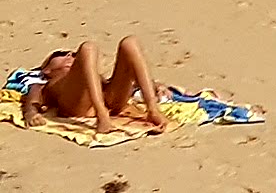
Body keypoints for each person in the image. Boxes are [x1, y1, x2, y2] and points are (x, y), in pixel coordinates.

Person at [21, 37, 171, 134]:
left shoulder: (92, 74)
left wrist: (154, 85)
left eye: (73, 54)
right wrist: (31, 113)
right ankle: (102, 115)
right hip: (78, 106)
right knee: (88, 47)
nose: (69, 56)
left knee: (130, 42)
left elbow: (119, 82)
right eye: (60, 54)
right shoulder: (45, 83)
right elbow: (32, 99)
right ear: (46, 69)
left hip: (110, 100)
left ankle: (152, 109)